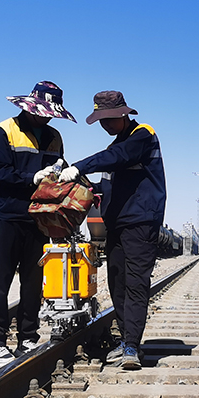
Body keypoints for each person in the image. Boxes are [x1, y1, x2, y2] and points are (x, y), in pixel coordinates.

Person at [58, 91, 166, 370]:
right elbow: (110, 184)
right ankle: (127, 339)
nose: (105, 125)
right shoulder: (116, 145)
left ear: (123, 114)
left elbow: (118, 156)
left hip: (140, 222)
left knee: (136, 283)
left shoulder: (142, 136)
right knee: (117, 282)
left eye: (108, 119)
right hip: (117, 223)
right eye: (101, 121)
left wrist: (80, 166)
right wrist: (86, 186)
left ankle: (132, 346)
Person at [0, 81, 75, 365]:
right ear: (30, 107)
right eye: (43, 113)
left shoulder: (54, 137)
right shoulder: (5, 131)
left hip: (38, 220)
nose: (46, 118)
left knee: (33, 283)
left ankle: (27, 338)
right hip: (6, 217)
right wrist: (31, 178)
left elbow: (58, 171)